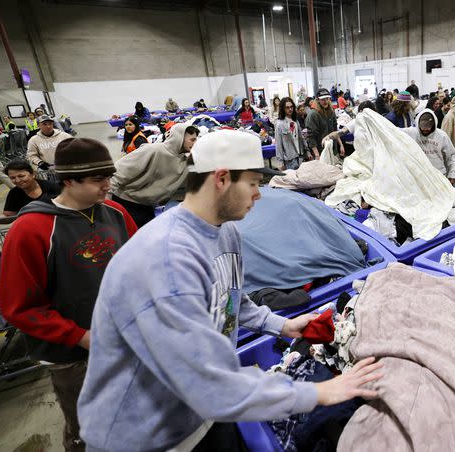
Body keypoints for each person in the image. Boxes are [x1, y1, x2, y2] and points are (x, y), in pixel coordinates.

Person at [77, 131, 382, 450]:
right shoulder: (166, 261)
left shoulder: (225, 233)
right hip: (145, 435)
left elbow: (231, 300)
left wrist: (282, 325)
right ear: (221, 178)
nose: (259, 194)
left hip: (200, 414)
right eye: (252, 183)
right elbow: (205, 384)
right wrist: (321, 392)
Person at [0, 138, 137, 452]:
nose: (108, 185)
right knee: (87, 428)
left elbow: (139, 265)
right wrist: (79, 336)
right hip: (72, 357)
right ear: (69, 181)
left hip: (122, 340)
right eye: (98, 179)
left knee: (128, 414)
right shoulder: (31, 229)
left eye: (109, 176)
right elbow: (19, 307)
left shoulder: (115, 213)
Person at [111, 123, 198, 227]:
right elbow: (119, 171)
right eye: (192, 140)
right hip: (126, 201)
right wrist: (106, 202)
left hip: (146, 205)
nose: (196, 143)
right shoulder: (153, 150)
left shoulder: (185, 161)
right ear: (179, 138)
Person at [0, 159, 60, 224]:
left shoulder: (52, 187)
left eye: (21, 176)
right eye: (12, 178)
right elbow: (8, 216)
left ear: (33, 174)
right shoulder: (14, 194)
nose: (17, 180)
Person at [400, 109, 455, 184]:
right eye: (423, 126)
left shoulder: (442, 136)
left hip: (438, 176)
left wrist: (453, 173)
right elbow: (391, 130)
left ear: (434, 125)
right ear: (418, 124)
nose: (425, 129)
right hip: (418, 177)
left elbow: (452, 155)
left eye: (428, 126)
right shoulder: (411, 132)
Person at [274, 97, 306, 170]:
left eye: (291, 107)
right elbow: (278, 144)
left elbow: (301, 138)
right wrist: (280, 162)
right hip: (289, 159)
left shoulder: (296, 121)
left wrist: (307, 151)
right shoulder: (280, 124)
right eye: (287, 107)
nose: (290, 109)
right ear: (283, 109)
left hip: (300, 155)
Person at [306, 88, 338, 160]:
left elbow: (335, 130)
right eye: (323, 99)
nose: (325, 101)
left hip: (332, 148)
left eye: (327, 99)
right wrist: (317, 154)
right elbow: (311, 136)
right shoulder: (313, 114)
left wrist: (341, 145)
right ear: (317, 100)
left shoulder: (331, 111)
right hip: (320, 151)